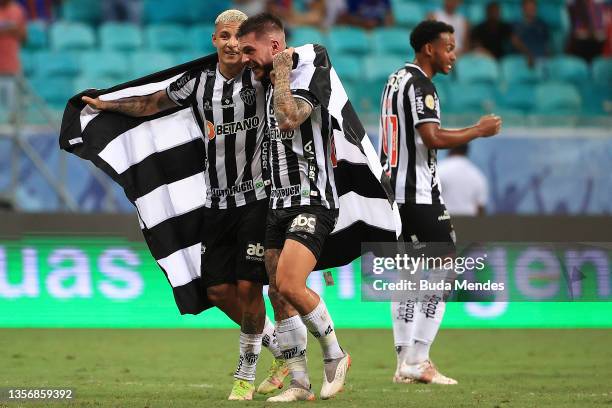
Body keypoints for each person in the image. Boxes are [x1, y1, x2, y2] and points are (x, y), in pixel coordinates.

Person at [81, 10, 289, 401]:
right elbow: (150, 104)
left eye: (238, 37)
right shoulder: (197, 83)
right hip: (216, 202)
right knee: (216, 292)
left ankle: (244, 376)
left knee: (248, 287)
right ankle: (280, 349)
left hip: (257, 199)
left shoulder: (260, 78)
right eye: (224, 36)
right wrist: (108, 106)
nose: (231, 43)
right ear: (214, 39)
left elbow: (291, 75)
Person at [378, 20, 501, 384]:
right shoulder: (420, 84)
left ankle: (404, 362)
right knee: (444, 270)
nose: (454, 53)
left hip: (392, 193)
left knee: (408, 276)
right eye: (448, 47)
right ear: (429, 48)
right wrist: (477, 130)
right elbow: (431, 137)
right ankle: (419, 358)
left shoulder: (395, 79)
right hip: (417, 194)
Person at [238, 12, 350, 402]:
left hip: (312, 199)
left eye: (249, 50)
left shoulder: (310, 68)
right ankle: (300, 385)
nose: (244, 57)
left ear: (275, 46)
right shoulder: (266, 83)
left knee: (289, 283)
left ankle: (336, 355)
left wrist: (282, 71)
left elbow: (290, 119)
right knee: (277, 295)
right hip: (278, 203)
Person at [438, 144, 489, 216]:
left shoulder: (439, 169)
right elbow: (480, 207)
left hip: (443, 219)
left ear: (450, 149)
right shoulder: (477, 174)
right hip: (468, 222)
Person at [512, 0, 550, 66]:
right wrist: (528, 54)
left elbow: (546, 44)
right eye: (529, 8)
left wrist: (548, 59)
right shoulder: (516, 24)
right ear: (523, 8)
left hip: (542, 60)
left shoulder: (542, 24)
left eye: (533, 7)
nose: (531, 10)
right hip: (523, 61)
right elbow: (515, 42)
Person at [0, 0, 26, 75]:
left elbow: (24, 38)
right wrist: (8, 29)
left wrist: (15, 31)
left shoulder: (18, 10)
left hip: (13, 67)